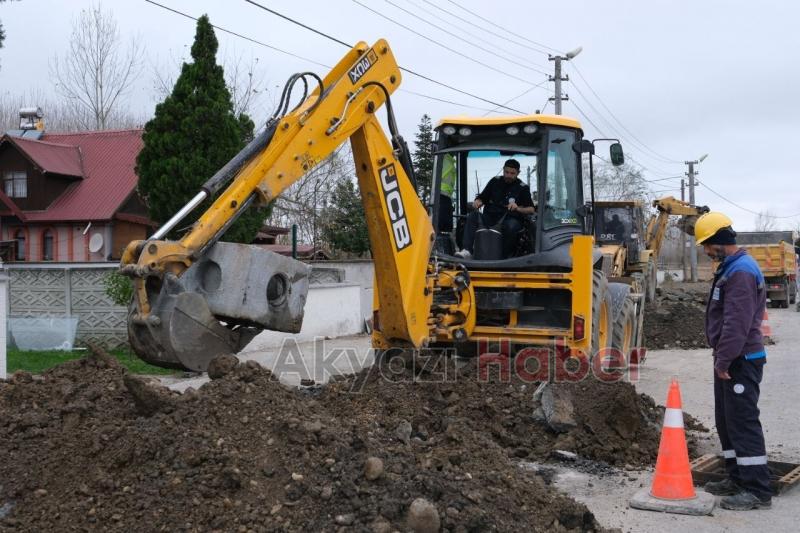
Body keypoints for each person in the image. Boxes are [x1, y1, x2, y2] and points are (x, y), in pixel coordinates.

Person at [695, 212, 772, 511]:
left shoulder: (740, 271)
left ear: (719, 241)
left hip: (741, 359)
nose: (705, 251)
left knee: (742, 422)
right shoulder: (731, 267)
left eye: (706, 244)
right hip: (730, 358)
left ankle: (757, 491)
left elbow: (735, 324)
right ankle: (737, 478)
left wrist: (724, 361)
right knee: (727, 422)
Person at [455, 159, 535, 259]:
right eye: (506, 172)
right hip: (490, 217)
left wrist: (517, 208)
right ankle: (466, 250)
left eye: (512, 173)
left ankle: (504, 257)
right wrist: (478, 201)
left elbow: (531, 209)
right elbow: (482, 197)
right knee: (473, 216)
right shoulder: (495, 181)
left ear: (518, 173)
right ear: (503, 170)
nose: (509, 175)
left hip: (509, 219)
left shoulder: (523, 188)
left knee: (512, 226)